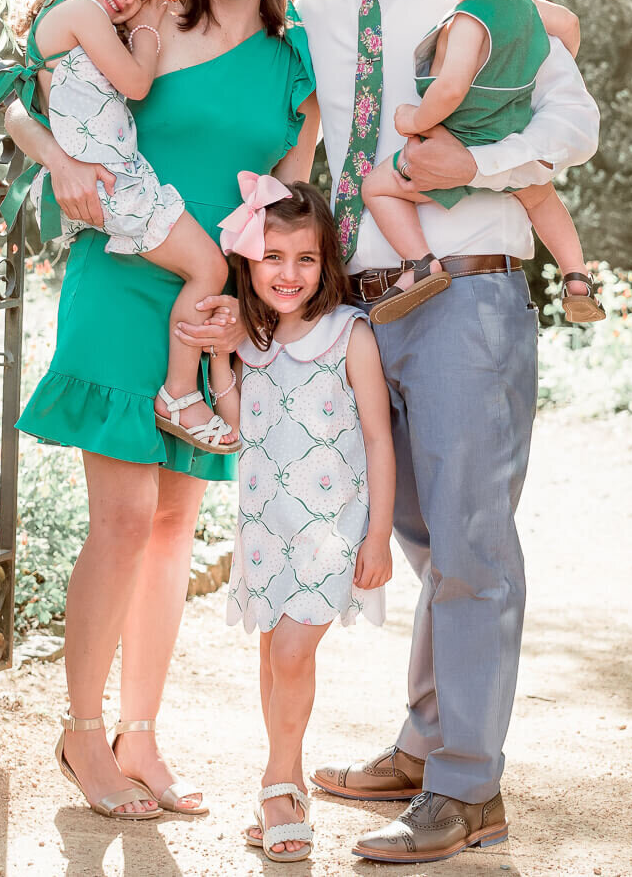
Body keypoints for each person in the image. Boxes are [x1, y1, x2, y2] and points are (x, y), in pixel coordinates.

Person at [296, 0, 600, 863]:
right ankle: (428, 746)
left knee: (470, 543)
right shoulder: (319, 1)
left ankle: (469, 788)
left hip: (468, 288)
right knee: (425, 534)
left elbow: (573, 121)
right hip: (365, 299)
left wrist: (471, 163)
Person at [2, 0, 319, 821]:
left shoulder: (293, 54)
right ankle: (82, 733)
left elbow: (290, 201)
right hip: (120, 278)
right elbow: (14, 93)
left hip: (213, 299)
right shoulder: (144, 19)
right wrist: (56, 159)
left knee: (179, 521)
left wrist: (249, 305)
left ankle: (142, 734)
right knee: (125, 518)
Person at [0, 0, 237, 453]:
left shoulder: (61, 14)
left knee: (203, 266)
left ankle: (181, 390)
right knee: (210, 266)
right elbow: (137, 84)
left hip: (116, 179)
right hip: (117, 185)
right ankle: (180, 394)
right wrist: (146, 29)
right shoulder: (78, 12)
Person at [218, 178, 394, 862]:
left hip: (332, 531)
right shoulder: (252, 341)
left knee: (292, 653)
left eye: (305, 259)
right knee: (270, 656)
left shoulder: (348, 334)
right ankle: (285, 782)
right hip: (264, 528)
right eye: (273, 258)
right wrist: (215, 356)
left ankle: (277, 783)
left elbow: (379, 437)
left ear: (327, 264)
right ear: (250, 264)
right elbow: (240, 426)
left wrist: (376, 533)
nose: (288, 274)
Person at [362, 0, 604, 325]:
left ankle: (421, 265)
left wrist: (415, 117)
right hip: (506, 139)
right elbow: (568, 25)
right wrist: (529, 64)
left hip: (454, 146)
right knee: (542, 199)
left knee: (376, 187)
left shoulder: (469, 19)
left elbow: (450, 90)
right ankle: (577, 277)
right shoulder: (526, 6)